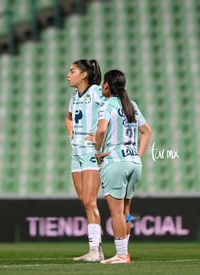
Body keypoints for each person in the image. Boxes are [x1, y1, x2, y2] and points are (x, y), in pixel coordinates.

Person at [94, 69, 152, 264]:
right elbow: (147, 131)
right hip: (134, 163)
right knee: (126, 212)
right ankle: (124, 252)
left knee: (116, 212)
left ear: (108, 86)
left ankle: (121, 255)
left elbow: (101, 129)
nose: (101, 87)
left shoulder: (107, 104)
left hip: (115, 163)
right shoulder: (131, 105)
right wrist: (138, 155)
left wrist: (97, 151)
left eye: (103, 84)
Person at [65, 59, 105, 262]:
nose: (68, 74)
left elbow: (112, 114)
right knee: (85, 201)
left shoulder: (97, 92)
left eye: (72, 71)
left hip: (91, 152)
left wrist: (99, 138)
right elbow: (69, 117)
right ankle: (97, 248)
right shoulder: (74, 96)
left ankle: (94, 251)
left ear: (84, 75)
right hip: (76, 152)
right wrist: (71, 132)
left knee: (90, 201)